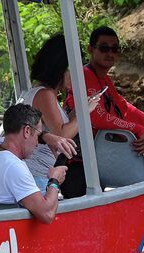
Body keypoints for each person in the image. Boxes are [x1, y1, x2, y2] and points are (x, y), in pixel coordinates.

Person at [62, 26, 144, 198]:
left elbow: (124, 108)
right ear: (91, 49)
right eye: (103, 48)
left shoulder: (104, 80)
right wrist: (137, 129)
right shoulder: (84, 76)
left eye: (114, 49)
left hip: (99, 162)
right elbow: (97, 117)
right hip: (77, 168)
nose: (110, 53)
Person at [23, 34, 99, 191]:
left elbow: (59, 125)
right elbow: (62, 135)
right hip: (41, 177)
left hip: (44, 173)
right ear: (61, 69)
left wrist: (78, 110)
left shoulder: (42, 92)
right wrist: (85, 112)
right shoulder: (44, 95)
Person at [0, 104, 67, 224]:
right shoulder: (14, 167)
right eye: (37, 136)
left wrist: (46, 136)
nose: (37, 144)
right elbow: (47, 214)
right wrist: (54, 181)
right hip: (9, 231)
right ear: (27, 131)